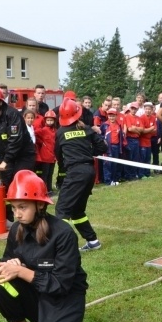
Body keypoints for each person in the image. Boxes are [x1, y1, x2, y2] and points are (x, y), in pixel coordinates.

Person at [0, 170, 87, 322]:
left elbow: (61, 285)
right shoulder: (17, 229)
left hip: (64, 301)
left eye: (22, 207)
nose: (17, 214)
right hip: (37, 296)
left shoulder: (63, 234)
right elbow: (6, 259)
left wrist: (22, 271)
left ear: (40, 205)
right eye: (14, 208)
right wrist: (6, 265)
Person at [54, 98, 108, 251]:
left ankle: (59, 247)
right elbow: (102, 146)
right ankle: (92, 241)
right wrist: (88, 152)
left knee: (62, 210)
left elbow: (58, 155)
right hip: (89, 172)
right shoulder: (86, 129)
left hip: (75, 172)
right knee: (77, 211)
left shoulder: (60, 132)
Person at [0, 85, 36, 223]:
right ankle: (8, 219)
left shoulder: (13, 115)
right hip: (4, 156)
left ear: (0, 102)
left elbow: (16, 140)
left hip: (23, 155)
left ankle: (31, 218)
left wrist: (6, 161)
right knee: (5, 186)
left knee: (20, 184)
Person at [34, 110, 57, 193]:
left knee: (50, 174)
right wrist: (41, 142)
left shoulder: (55, 130)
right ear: (45, 120)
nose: (49, 122)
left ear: (54, 120)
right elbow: (34, 134)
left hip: (53, 157)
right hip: (45, 156)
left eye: (51, 120)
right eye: (48, 120)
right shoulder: (43, 130)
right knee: (45, 174)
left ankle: (49, 189)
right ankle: (44, 190)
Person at [102, 108, 124, 185]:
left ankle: (114, 179)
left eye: (113, 116)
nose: (111, 117)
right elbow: (100, 135)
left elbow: (121, 137)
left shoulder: (118, 125)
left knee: (115, 164)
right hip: (108, 147)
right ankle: (108, 180)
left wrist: (121, 147)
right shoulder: (105, 125)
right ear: (108, 116)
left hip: (116, 147)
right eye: (110, 116)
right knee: (107, 164)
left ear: (116, 116)